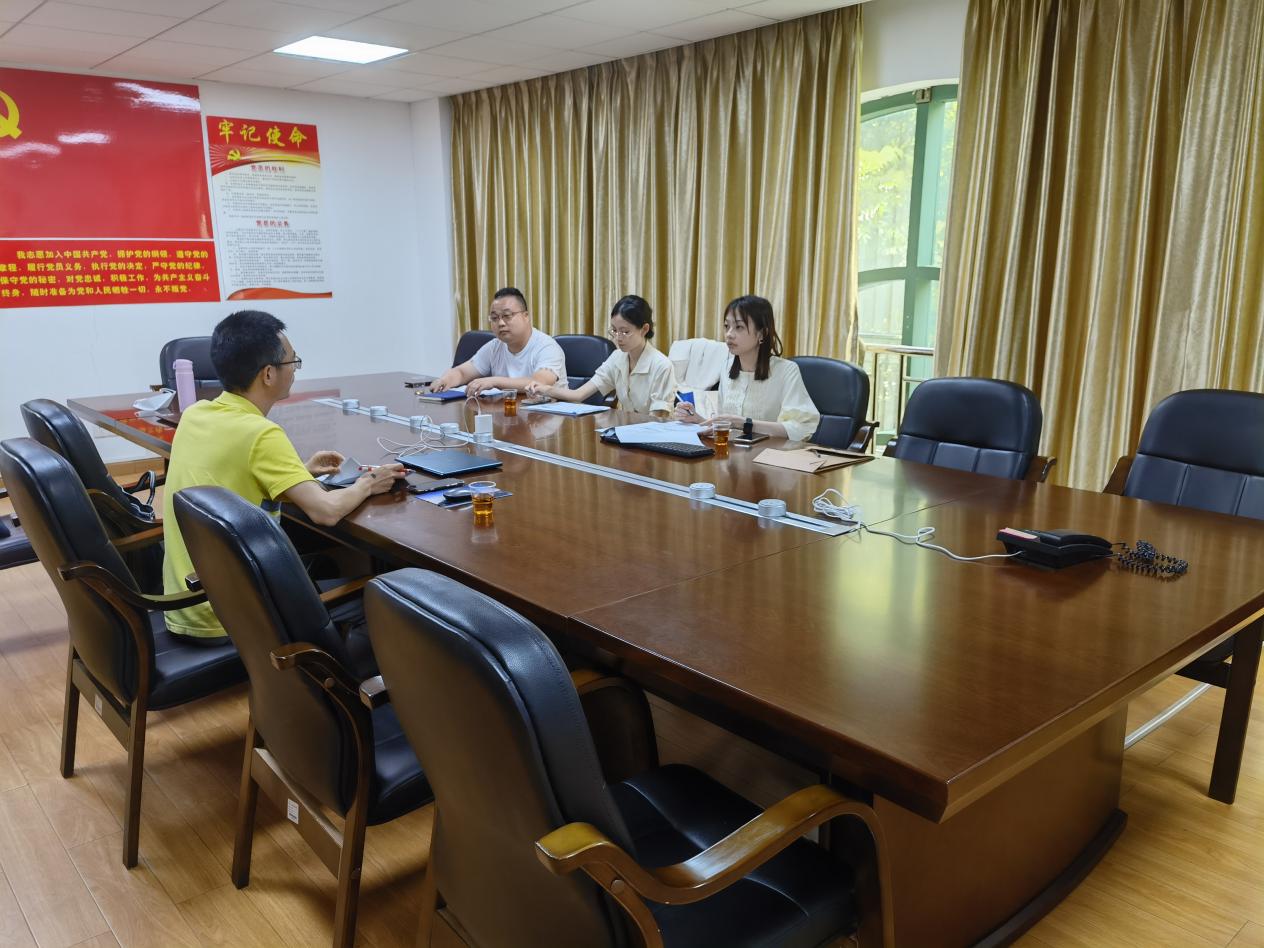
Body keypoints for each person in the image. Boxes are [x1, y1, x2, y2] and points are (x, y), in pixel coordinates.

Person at [161, 310, 404, 642]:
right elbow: (326, 511)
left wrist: (298, 472)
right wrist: (368, 483)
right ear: (268, 374)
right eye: (293, 362)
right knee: (389, 594)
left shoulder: (195, 414)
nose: (295, 370)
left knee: (325, 564)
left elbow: (231, 476)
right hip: (233, 619)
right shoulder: (261, 434)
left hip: (189, 602)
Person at [674, 294, 820, 441]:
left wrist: (745, 423)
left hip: (770, 453)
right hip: (732, 451)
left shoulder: (786, 371)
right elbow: (727, 425)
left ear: (762, 333)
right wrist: (697, 419)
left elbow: (802, 427)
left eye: (739, 327)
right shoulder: (726, 368)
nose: (729, 334)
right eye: (727, 326)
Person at [525, 295, 677, 414]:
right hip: (625, 431)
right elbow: (578, 394)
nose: (618, 337)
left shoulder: (661, 365)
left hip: (653, 436)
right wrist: (545, 389)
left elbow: (658, 419)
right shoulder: (617, 357)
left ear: (644, 329)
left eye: (625, 331)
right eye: (614, 330)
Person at [429, 287, 567, 396]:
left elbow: (538, 383)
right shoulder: (494, 347)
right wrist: (445, 380)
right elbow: (462, 372)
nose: (500, 323)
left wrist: (494, 381)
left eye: (507, 315)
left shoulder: (547, 347)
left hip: (550, 418)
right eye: (494, 318)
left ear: (526, 316)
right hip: (508, 414)